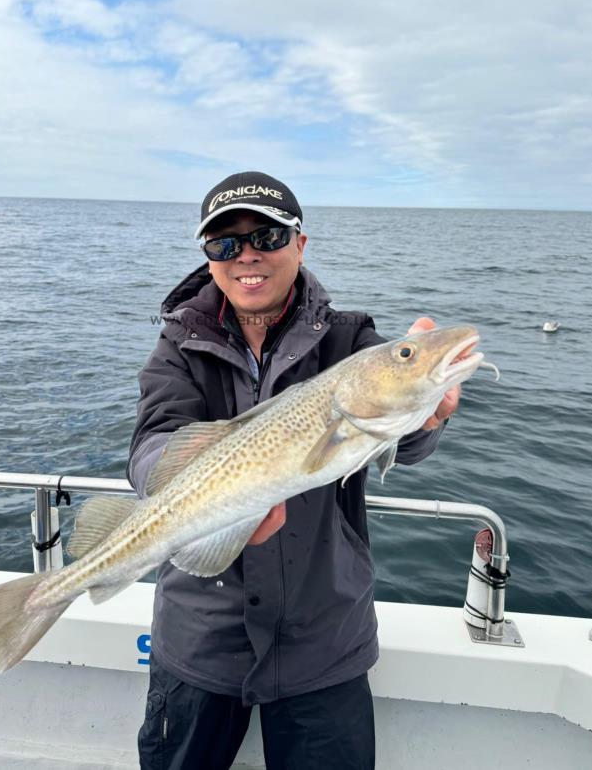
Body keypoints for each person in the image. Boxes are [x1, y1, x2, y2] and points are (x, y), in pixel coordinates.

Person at [127, 171, 459, 770]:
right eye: (224, 243)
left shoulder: (353, 341)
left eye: (267, 235)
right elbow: (152, 444)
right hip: (200, 636)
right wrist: (193, 491)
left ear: (300, 242)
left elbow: (400, 445)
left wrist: (426, 417)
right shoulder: (177, 345)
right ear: (208, 259)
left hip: (323, 637)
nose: (246, 254)